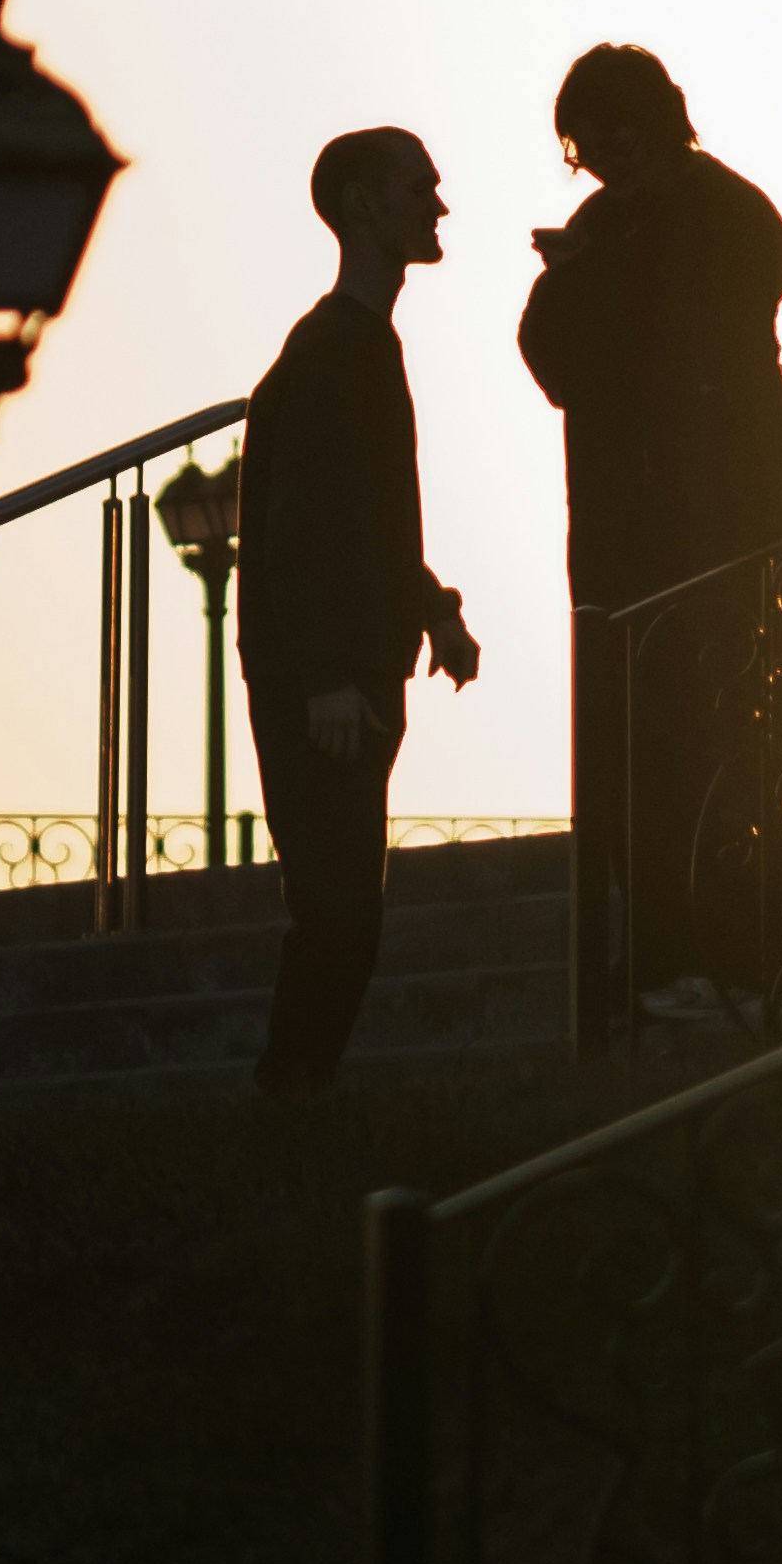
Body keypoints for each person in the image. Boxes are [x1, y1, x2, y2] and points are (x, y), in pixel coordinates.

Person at [517, 43, 782, 1035]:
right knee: (640, 763)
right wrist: (593, 273)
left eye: (615, 132)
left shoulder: (719, 214)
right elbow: (551, 348)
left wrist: (603, 274)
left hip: (729, 526)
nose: (601, 155)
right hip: (629, 547)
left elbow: (744, 284)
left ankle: (736, 959)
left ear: (657, 121)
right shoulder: (606, 226)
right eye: (587, 141)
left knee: (736, 748)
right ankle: (664, 964)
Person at [237, 124, 482, 1098]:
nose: (439, 203)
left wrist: (436, 610)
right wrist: (328, 673)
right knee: (338, 913)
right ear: (361, 206)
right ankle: (285, 1097)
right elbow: (299, 526)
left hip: (349, 676)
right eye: (420, 186)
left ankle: (296, 1098)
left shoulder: (361, 345)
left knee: (350, 911)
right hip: (322, 686)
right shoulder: (332, 348)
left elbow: (370, 520)